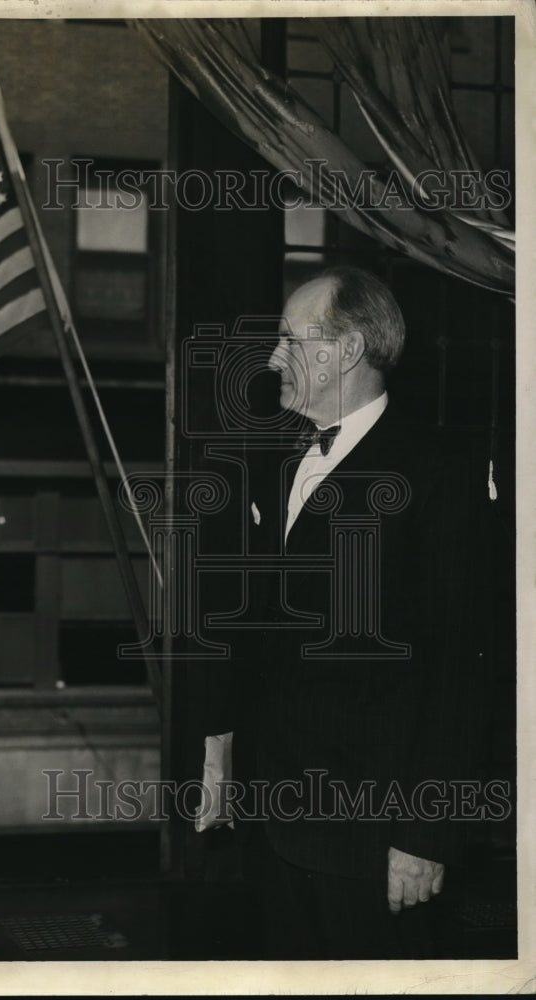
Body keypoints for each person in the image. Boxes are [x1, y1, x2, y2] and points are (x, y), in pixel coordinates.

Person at [199, 265, 494, 959]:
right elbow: (249, 633)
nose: (273, 359)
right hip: (272, 826)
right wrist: (220, 757)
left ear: (349, 351)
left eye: (288, 340)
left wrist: (425, 836)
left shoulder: (437, 474)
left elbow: (461, 671)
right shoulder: (274, 458)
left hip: (375, 841)